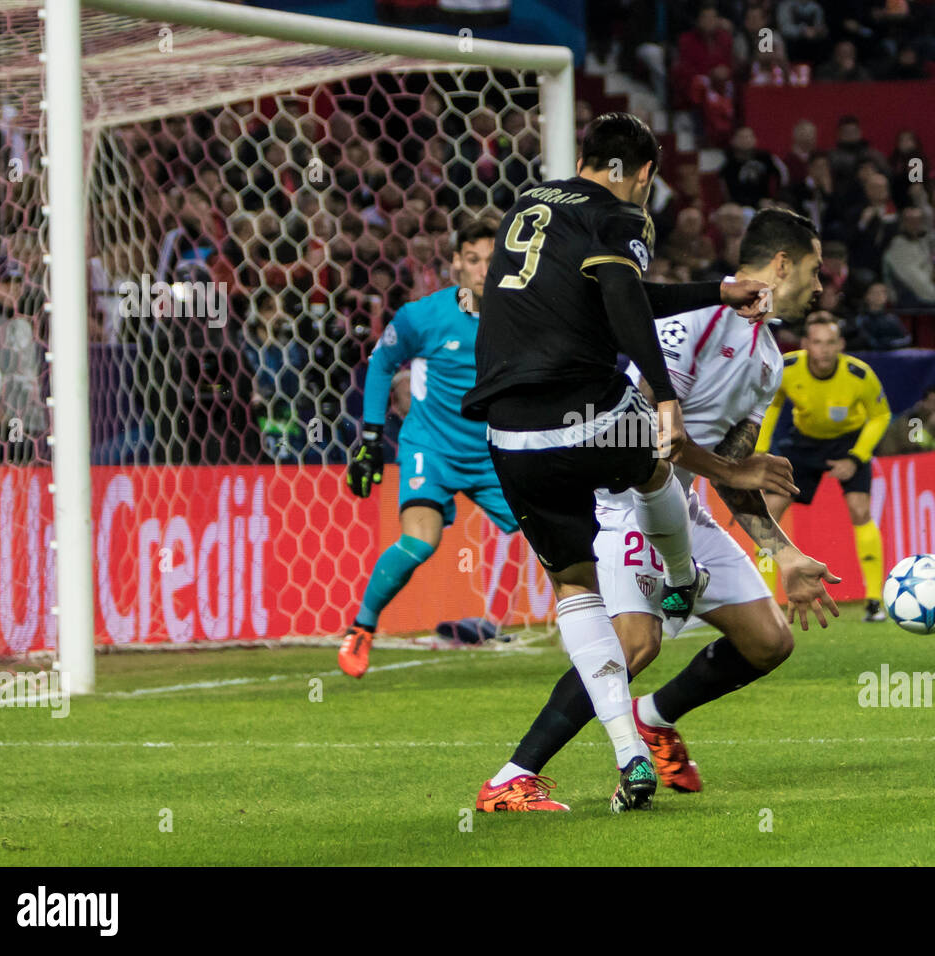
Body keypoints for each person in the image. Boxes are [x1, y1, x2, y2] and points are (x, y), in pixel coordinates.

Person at [461, 112, 780, 811]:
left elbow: (621, 295)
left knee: (577, 589)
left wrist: (714, 291)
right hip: (587, 415)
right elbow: (622, 302)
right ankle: (678, 576)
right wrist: (664, 395)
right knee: (658, 466)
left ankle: (616, 758)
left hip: (510, 438)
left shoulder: (530, 204)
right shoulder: (620, 216)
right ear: (641, 173)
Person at [334, 219, 515, 673]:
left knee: (557, 539)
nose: (481, 270)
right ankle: (361, 628)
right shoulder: (423, 317)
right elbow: (381, 362)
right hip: (430, 450)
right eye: (472, 260)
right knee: (420, 541)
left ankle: (607, 624)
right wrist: (371, 439)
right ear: (455, 263)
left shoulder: (520, 318)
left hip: (493, 454)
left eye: (491, 261)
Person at [757, 316, 892, 622]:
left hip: (848, 443)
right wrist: (761, 450)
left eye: (831, 342)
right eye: (817, 342)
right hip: (804, 444)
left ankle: (873, 600)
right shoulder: (787, 367)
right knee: (764, 517)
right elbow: (772, 401)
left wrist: (856, 457)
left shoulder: (859, 375)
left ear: (841, 345)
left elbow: (881, 415)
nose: (824, 350)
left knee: (860, 510)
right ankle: (764, 602)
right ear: (805, 345)